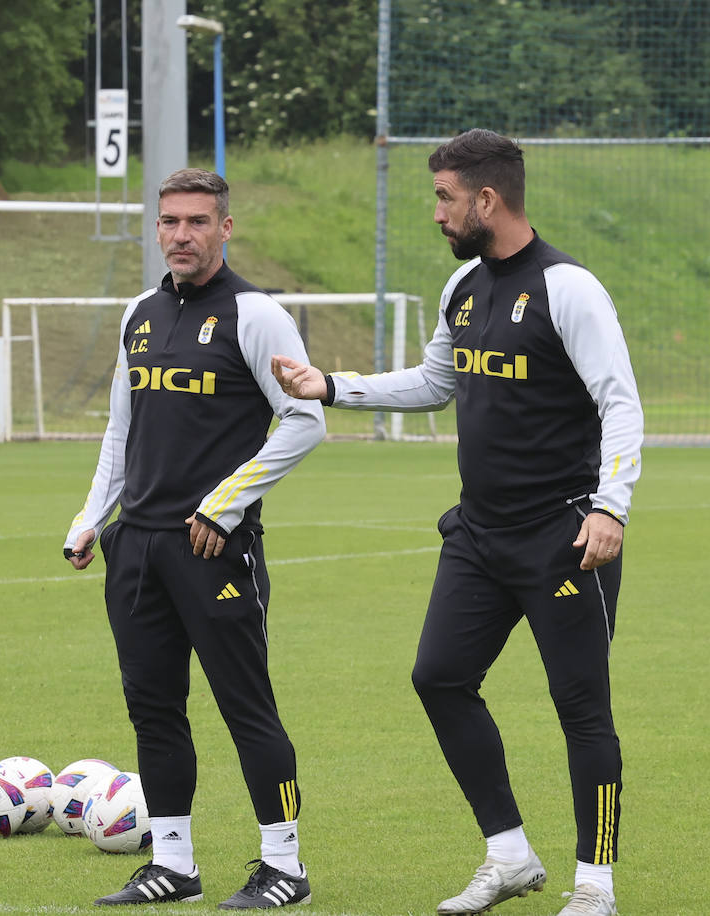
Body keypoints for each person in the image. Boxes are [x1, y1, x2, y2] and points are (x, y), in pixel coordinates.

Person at [272, 129, 643, 916]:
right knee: (438, 677)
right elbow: (435, 382)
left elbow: (620, 402)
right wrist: (330, 386)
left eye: (444, 198)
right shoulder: (464, 289)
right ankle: (508, 855)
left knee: (582, 707)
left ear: (486, 198)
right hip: (479, 535)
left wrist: (611, 505)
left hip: (564, 536)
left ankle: (596, 886)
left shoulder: (569, 288)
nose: (436, 213)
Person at [65, 167, 324, 909]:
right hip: (136, 548)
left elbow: (305, 420)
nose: (182, 235)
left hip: (214, 548)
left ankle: (286, 867)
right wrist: (90, 518)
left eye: (197, 222)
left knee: (247, 707)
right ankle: (173, 864)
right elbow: (122, 428)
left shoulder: (255, 315)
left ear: (225, 228)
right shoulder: (139, 313)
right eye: (170, 221)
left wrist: (224, 505)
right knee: (153, 707)